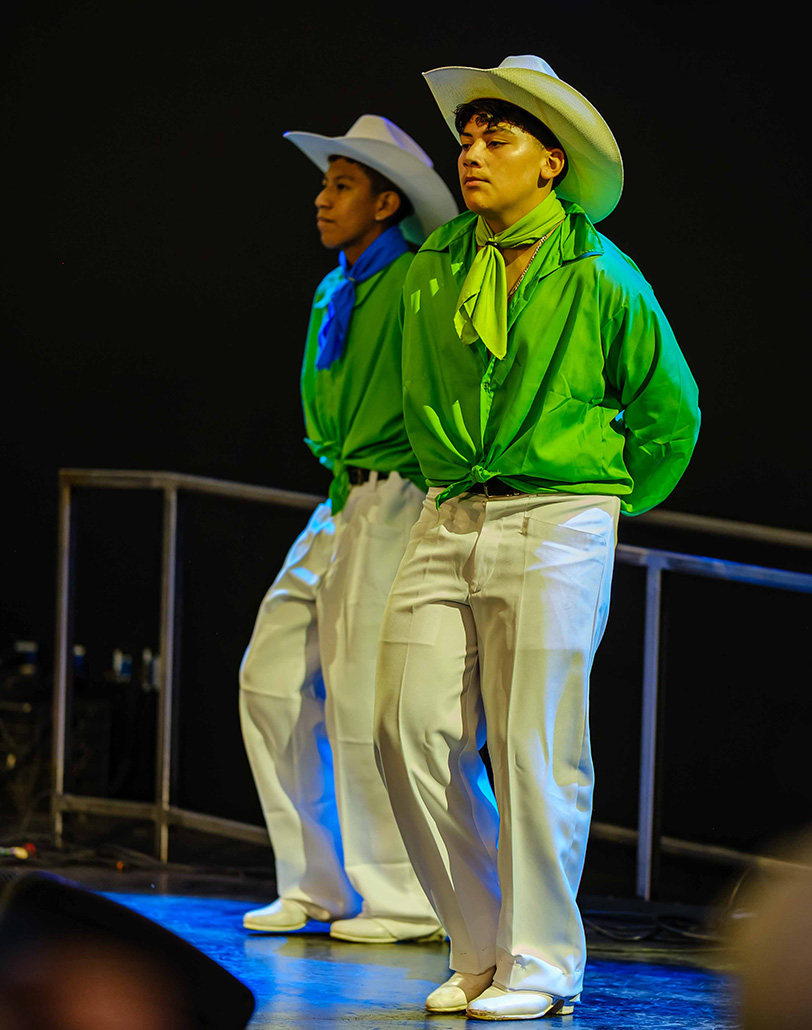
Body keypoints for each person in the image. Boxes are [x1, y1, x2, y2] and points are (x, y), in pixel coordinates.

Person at [374, 55, 700, 1016]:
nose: (471, 153)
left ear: (549, 163)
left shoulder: (604, 274)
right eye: (466, 137)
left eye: (496, 138)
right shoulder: (436, 269)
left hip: (559, 515)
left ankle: (544, 965)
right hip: (453, 508)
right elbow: (415, 392)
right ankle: (479, 946)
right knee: (405, 724)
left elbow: (670, 413)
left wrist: (598, 502)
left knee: (533, 748)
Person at [240, 115, 457, 943]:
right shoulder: (338, 286)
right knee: (267, 677)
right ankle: (313, 882)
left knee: (365, 695)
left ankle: (403, 895)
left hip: (397, 493)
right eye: (326, 182)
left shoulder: (415, 281)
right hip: (340, 495)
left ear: (386, 200)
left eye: (342, 185)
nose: (323, 199)